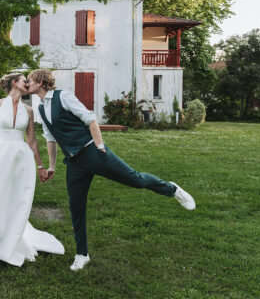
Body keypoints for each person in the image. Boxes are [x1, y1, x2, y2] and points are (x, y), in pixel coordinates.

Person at [26, 69, 195, 271]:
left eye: (30, 80)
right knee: (76, 208)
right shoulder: (42, 108)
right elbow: (50, 138)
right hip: (74, 163)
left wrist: (100, 147)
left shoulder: (63, 97)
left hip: (93, 152)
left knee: (136, 180)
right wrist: (52, 165)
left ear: (41, 82)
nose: (27, 83)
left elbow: (90, 118)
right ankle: (82, 254)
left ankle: (172, 189)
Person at [0, 73, 64, 273]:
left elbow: (31, 140)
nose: (28, 83)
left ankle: (11, 239)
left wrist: (40, 167)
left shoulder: (29, 110)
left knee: (17, 200)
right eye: (25, 80)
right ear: (15, 83)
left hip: (21, 160)